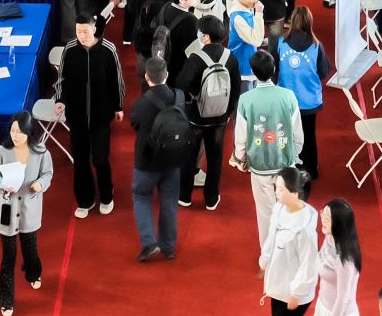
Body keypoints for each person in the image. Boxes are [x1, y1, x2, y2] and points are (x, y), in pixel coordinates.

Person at [53, 14, 124, 218]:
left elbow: (117, 80)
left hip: (101, 115)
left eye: (85, 31)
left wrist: (118, 106)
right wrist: (60, 99)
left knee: (100, 159)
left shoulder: (108, 49)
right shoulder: (70, 49)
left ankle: (107, 195)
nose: (81, 35)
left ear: (94, 29)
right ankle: (85, 199)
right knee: (80, 160)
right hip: (77, 116)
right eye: (78, 31)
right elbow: (62, 78)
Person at [232, 49, 304, 245]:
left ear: (253, 73)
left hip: (259, 165)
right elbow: (297, 132)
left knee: (265, 213)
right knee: (288, 209)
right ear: (273, 70)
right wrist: (294, 155)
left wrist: (240, 158)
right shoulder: (288, 96)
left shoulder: (246, 99)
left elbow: (241, 136)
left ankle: (268, 252)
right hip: (285, 162)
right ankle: (287, 248)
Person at [0, 111, 53, 316]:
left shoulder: (41, 151)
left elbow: (47, 173)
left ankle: (33, 272)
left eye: (20, 132)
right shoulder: (3, 151)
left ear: (29, 132)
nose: (15, 135)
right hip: (7, 210)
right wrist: (2, 184)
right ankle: (6, 299)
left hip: (29, 210)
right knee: (8, 256)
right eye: (12, 131)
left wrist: (40, 184)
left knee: (30, 248)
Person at [128, 55, 190, 261]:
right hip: (173, 159)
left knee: (141, 196)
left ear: (147, 77)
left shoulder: (141, 103)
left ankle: (148, 243)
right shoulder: (179, 97)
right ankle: (168, 247)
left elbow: (135, 124)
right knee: (169, 201)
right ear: (167, 75)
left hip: (146, 162)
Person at [177, 15, 241, 211]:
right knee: (215, 159)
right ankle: (211, 198)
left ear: (205, 36)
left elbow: (181, 83)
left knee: (189, 157)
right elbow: (236, 89)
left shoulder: (196, 58)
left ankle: (184, 196)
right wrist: (228, 112)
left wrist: (194, 96)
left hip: (196, 118)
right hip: (219, 118)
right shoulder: (230, 58)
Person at [260, 167, 318, 316]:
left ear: (295, 192)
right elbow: (271, 235)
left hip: (294, 289)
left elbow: (309, 264)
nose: (276, 192)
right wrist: (265, 258)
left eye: (280, 189)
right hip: (279, 282)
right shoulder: (279, 208)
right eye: (276, 188)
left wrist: (297, 293)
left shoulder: (304, 229)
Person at [277, 7, 327, 178]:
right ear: (309, 22)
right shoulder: (316, 46)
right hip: (309, 101)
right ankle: (311, 169)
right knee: (309, 135)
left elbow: (274, 67)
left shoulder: (281, 43)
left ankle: (290, 169)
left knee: (287, 135)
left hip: (287, 101)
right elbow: (323, 72)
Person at [312, 198, 363, 316]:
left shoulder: (345, 260)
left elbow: (342, 299)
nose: (322, 219)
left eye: (327, 218)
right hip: (323, 307)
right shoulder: (329, 239)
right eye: (323, 214)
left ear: (339, 224)